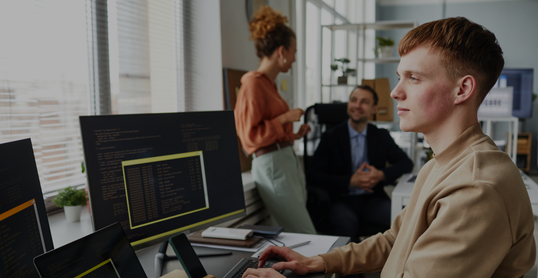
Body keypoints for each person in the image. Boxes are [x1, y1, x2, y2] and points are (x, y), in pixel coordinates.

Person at [242, 17, 536, 278]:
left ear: (462, 89)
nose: (395, 92)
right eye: (400, 77)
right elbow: (396, 239)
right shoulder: (438, 164)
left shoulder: (477, 188)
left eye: (414, 78)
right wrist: (320, 262)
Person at [234, 6, 316, 234]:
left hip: (283, 160)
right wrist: (285, 118)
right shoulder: (252, 83)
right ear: (281, 52)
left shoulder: (269, 84)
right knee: (305, 233)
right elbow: (250, 137)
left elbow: (270, 131)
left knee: (299, 230)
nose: (294, 59)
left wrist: (294, 134)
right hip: (272, 165)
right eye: (294, 52)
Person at [307, 85, 413, 242]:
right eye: (353, 100)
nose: (357, 105)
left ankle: (393, 263)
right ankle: (347, 265)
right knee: (346, 223)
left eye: (364, 102)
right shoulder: (331, 137)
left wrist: (380, 175)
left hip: (372, 199)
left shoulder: (380, 136)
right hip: (341, 200)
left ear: (374, 109)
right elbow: (313, 175)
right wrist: (349, 181)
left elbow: (406, 163)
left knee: (403, 219)